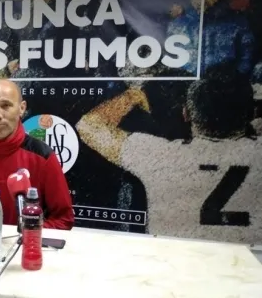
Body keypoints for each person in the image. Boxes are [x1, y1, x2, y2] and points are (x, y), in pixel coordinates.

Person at [76, 70, 261, 244]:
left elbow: (88, 125)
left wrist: (134, 95)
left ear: (186, 114)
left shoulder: (162, 156)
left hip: (176, 262)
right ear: (252, 113)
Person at [0, 79, 74, 230]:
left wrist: (29, 234)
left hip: (25, 243)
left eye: (5, 105)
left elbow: (63, 219)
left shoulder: (43, 157)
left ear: (21, 108)